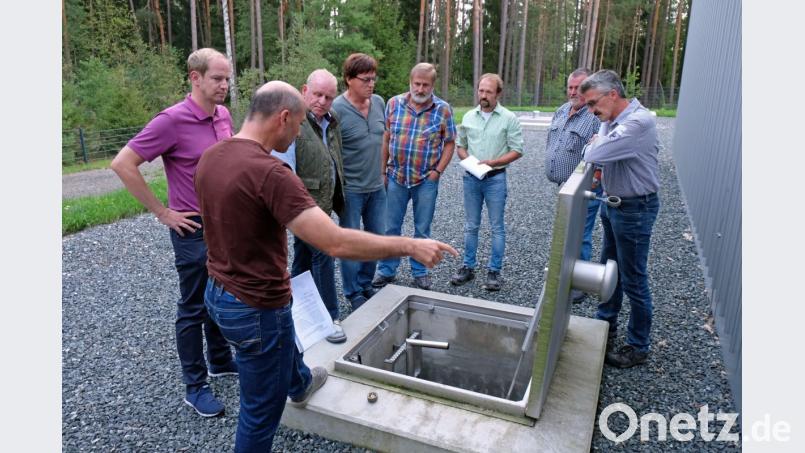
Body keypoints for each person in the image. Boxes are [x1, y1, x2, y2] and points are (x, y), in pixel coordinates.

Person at [194, 81, 458, 452]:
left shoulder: (213, 156)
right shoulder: (271, 173)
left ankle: (300, 383)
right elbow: (334, 241)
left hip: (218, 292)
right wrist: (410, 245)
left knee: (284, 338)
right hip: (255, 306)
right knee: (259, 414)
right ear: (283, 117)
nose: (300, 132)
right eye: (299, 123)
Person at [110, 48, 236, 418]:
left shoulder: (224, 115)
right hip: (192, 227)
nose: (224, 85)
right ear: (194, 78)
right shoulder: (171, 121)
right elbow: (123, 163)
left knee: (219, 292)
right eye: (217, 78)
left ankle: (219, 360)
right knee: (193, 306)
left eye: (227, 78)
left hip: (223, 224)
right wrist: (163, 212)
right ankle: (194, 387)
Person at [580, 69, 660, 369]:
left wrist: (596, 142)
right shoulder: (612, 120)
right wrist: (600, 137)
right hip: (613, 205)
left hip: (634, 209)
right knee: (609, 269)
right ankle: (606, 323)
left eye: (592, 103)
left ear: (612, 94)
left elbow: (593, 154)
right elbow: (598, 151)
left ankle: (638, 346)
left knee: (633, 278)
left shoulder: (638, 122)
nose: (591, 110)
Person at [372, 62, 456, 290]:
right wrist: (382, 171)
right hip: (397, 177)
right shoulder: (393, 104)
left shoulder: (443, 109)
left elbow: (450, 144)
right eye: (416, 84)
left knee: (422, 229)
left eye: (425, 85)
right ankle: (386, 270)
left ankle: (420, 272)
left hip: (425, 181)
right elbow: (386, 138)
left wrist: (437, 172)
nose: (420, 89)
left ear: (433, 85)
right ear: (410, 82)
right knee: (390, 228)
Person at [281, 69, 348, 344]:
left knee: (304, 258)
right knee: (324, 254)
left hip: (323, 205)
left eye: (329, 97)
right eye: (318, 94)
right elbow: (285, 169)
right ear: (304, 91)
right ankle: (328, 318)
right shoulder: (293, 121)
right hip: (304, 209)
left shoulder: (331, 121)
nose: (322, 101)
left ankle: (294, 310)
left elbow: (332, 159)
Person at [449, 73, 523, 291]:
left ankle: (494, 271)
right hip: (471, 178)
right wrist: (468, 160)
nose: (483, 95)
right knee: (471, 226)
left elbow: (517, 150)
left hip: (495, 179)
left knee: (497, 227)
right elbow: (460, 145)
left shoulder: (509, 118)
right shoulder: (470, 117)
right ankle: (468, 267)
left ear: (498, 94)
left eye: (488, 91)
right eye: (481, 90)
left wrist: (493, 162)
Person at [332, 53, 387, 310]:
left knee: (376, 238)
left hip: (377, 187)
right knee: (351, 242)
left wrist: (384, 171)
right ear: (348, 80)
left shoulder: (378, 102)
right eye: (365, 79)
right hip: (351, 190)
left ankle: (366, 283)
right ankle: (353, 292)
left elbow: (383, 138)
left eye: (374, 79)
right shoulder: (336, 110)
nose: (371, 84)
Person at [544, 68, 601, 302]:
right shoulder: (560, 111)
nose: (573, 92)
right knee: (565, 232)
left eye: (578, 88)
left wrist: (596, 179)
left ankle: (579, 283)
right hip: (562, 187)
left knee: (580, 234)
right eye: (570, 87)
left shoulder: (595, 116)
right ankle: (566, 275)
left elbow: (600, 156)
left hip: (584, 189)